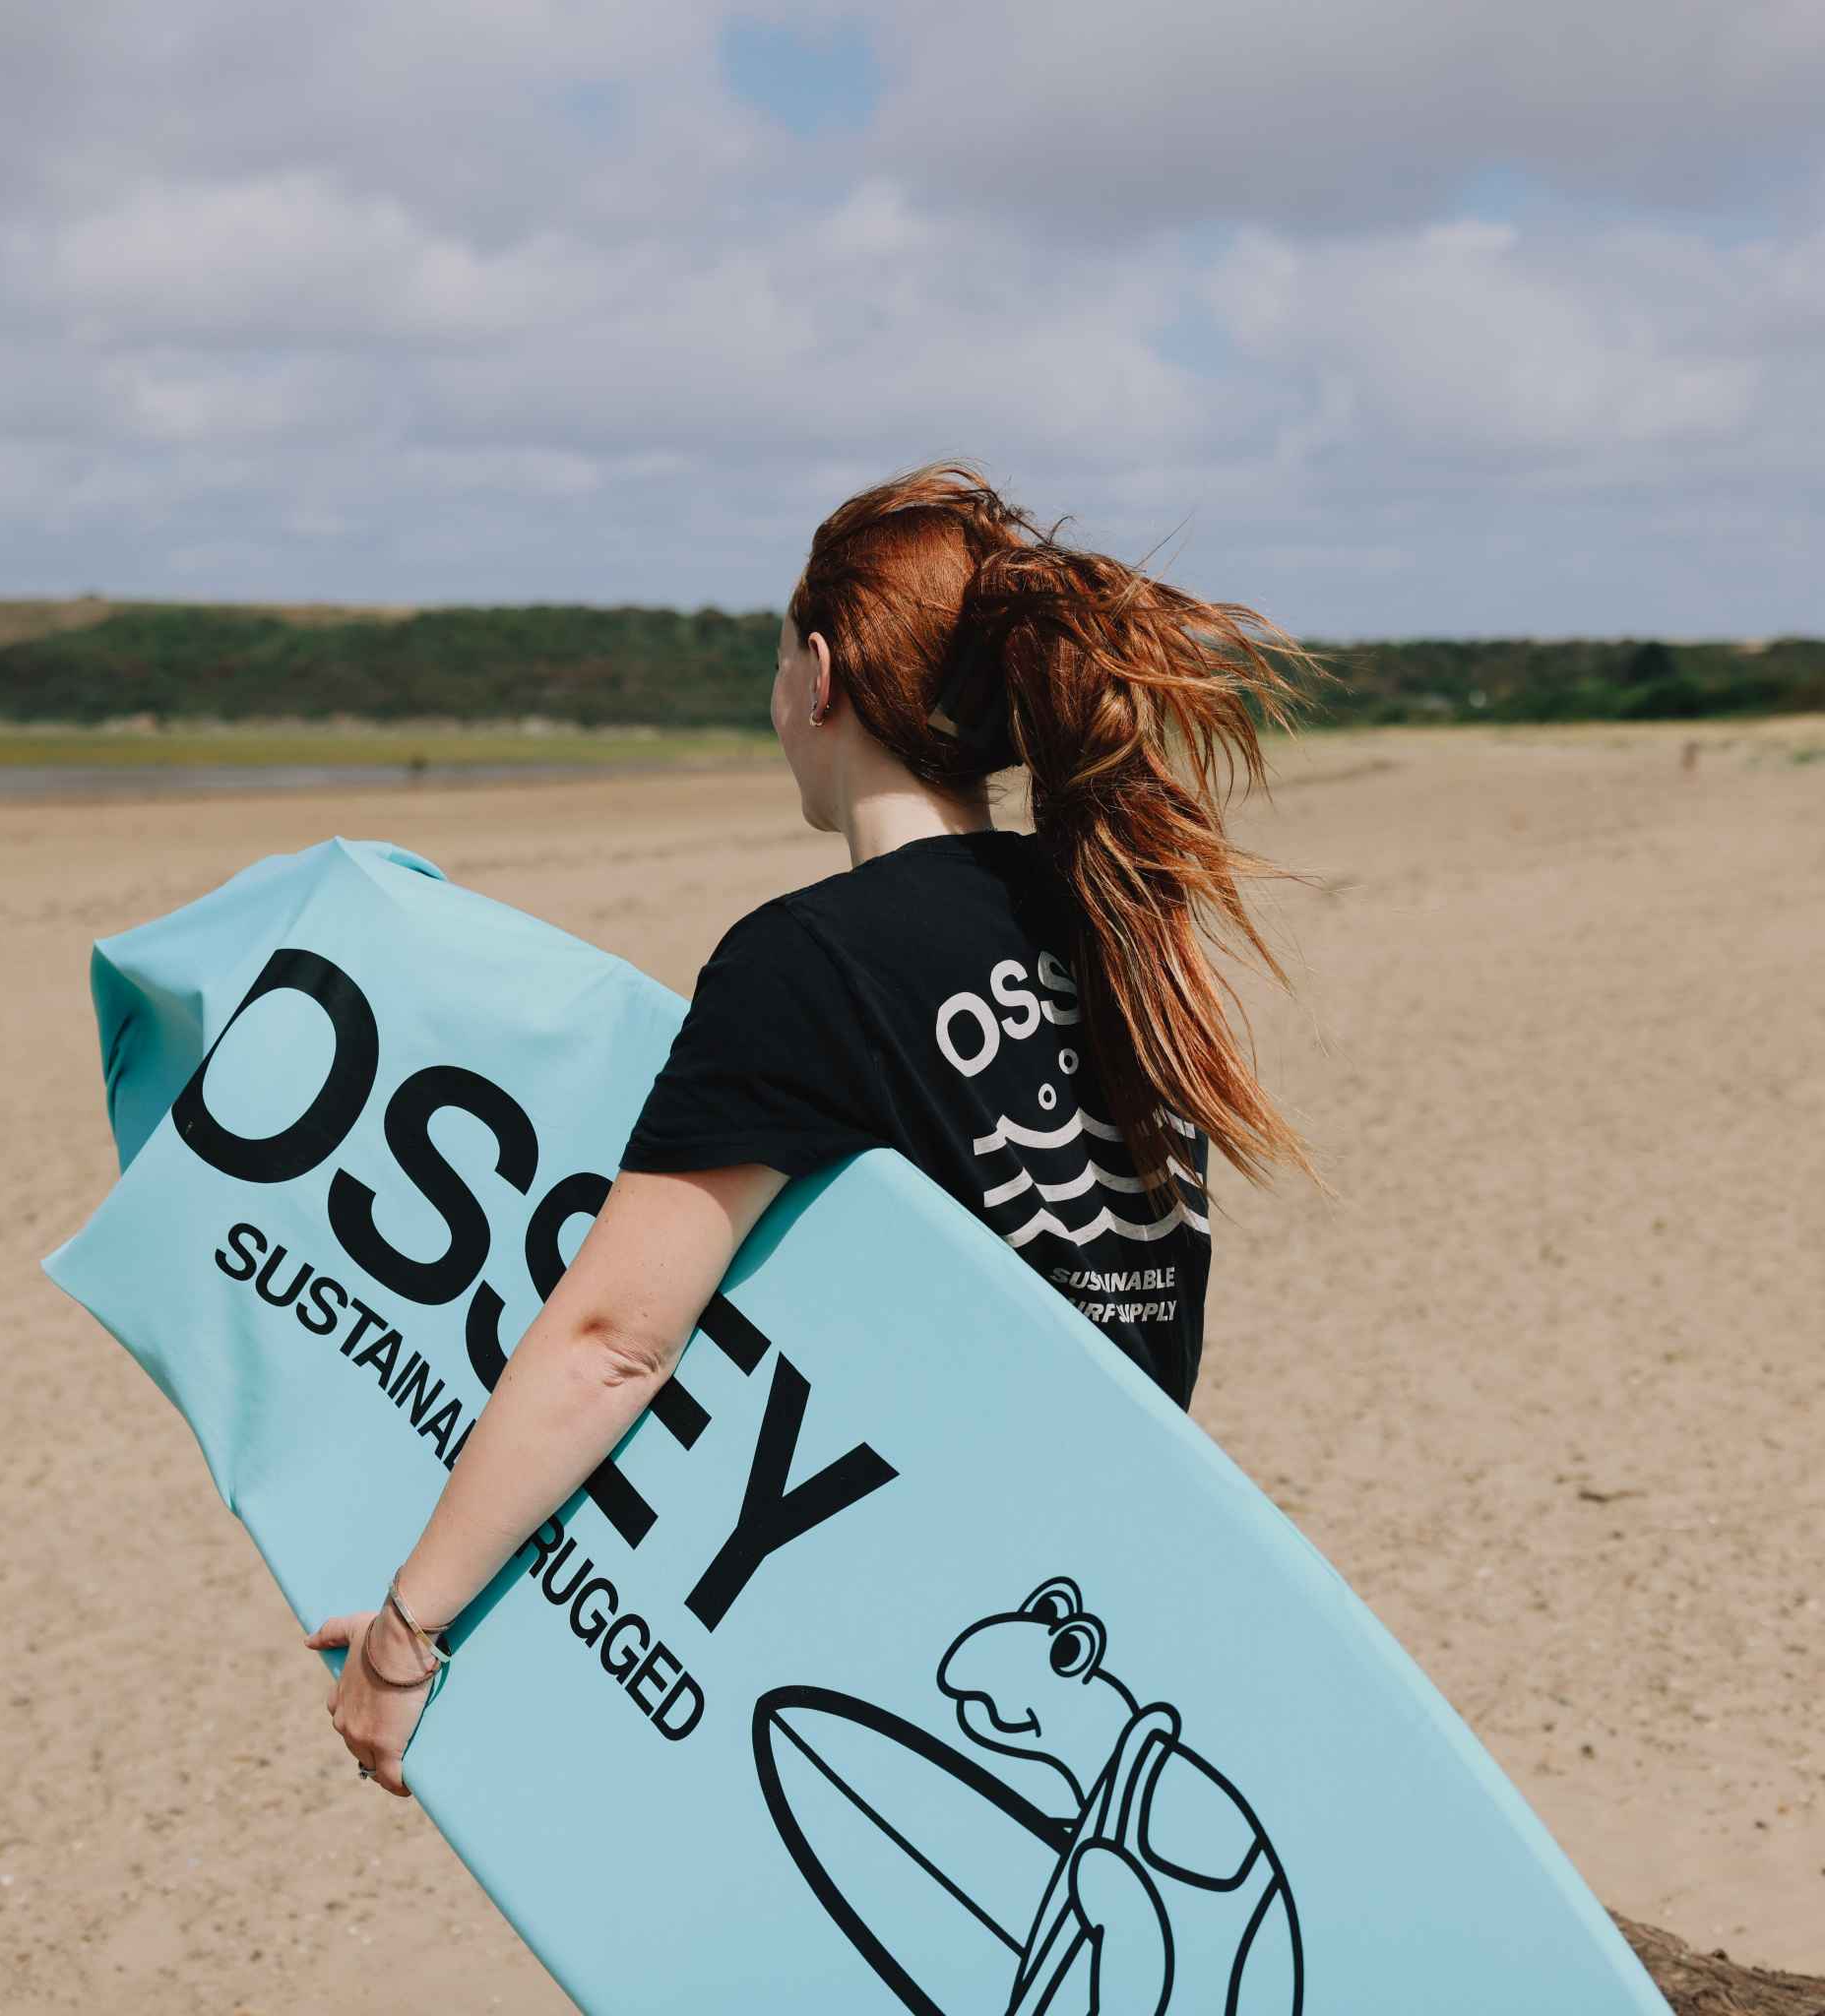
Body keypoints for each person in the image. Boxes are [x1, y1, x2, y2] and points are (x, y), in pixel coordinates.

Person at [308, 462, 1322, 1795]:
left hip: (926, 1626)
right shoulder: (1117, 909)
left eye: (776, 657)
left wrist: (409, 1631)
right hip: (1105, 1595)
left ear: (823, 672)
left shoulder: (809, 963)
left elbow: (614, 1341)